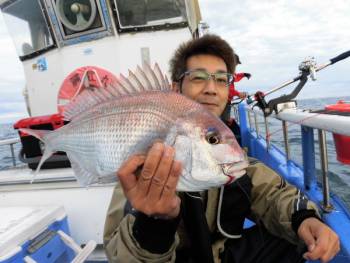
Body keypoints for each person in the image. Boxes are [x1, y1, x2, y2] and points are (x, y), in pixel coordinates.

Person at [103, 34, 340, 263]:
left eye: (221, 79)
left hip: (218, 254)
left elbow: (269, 192)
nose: (211, 89)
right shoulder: (144, 166)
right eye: (198, 77)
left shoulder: (230, 158)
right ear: (176, 88)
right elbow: (120, 255)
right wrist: (153, 225)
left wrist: (303, 218)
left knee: (295, 239)